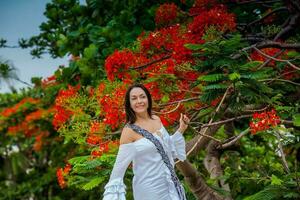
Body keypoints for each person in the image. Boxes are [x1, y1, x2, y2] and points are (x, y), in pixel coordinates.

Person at [102, 83, 190, 200]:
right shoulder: (129, 132)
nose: (139, 101)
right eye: (134, 98)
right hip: (149, 191)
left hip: (170, 185)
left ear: (148, 98)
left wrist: (181, 129)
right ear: (129, 104)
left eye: (142, 96)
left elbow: (166, 147)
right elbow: (119, 169)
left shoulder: (156, 119)